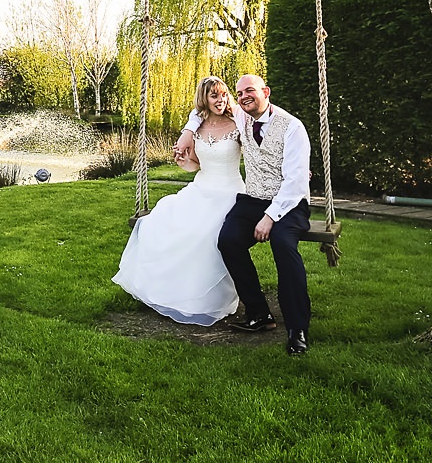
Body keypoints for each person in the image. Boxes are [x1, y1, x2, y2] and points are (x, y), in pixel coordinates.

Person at [111, 76, 245, 325]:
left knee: (206, 234)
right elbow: (195, 165)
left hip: (229, 192)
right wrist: (185, 163)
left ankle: (210, 298)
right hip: (200, 188)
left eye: (224, 94)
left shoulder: (237, 123)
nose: (220, 100)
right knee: (161, 222)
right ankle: (174, 291)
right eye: (214, 95)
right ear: (204, 99)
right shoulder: (197, 128)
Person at [219, 73, 313, 355]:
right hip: (253, 200)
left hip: (290, 203)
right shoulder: (241, 116)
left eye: (250, 91)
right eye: (239, 94)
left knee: (283, 244)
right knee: (228, 240)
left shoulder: (292, 127)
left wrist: (270, 217)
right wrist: (188, 132)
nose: (243, 97)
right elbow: (201, 108)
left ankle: (297, 328)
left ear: (266, 91)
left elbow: (296, 181)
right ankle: (259, 313)